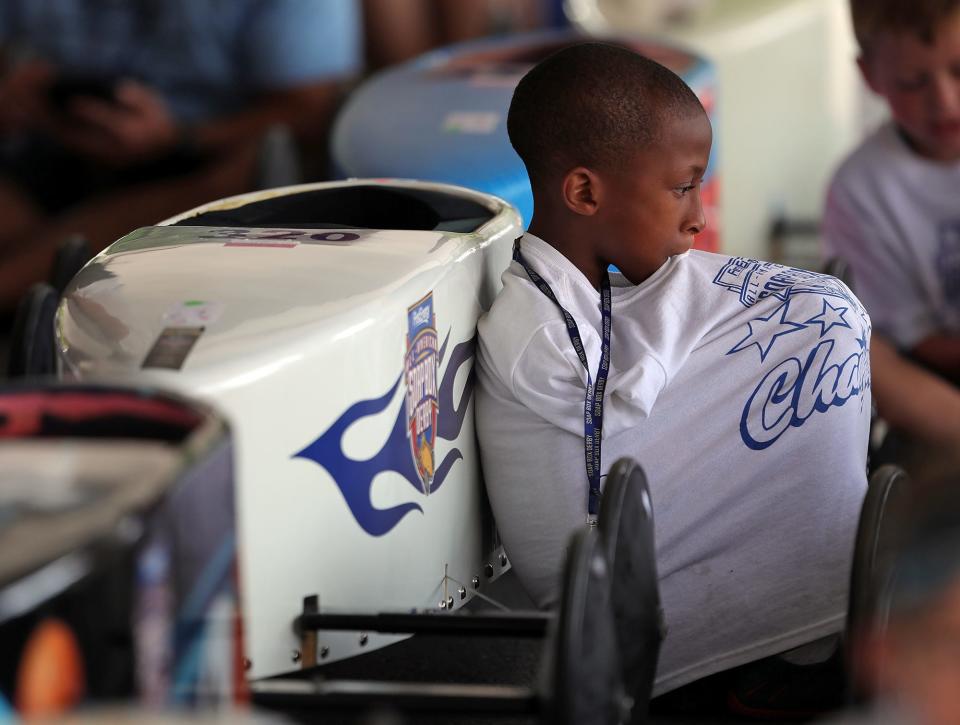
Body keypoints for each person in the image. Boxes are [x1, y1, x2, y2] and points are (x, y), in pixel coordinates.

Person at [475, 42, 871, 699]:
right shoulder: (540, 327)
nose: (697, 218)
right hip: (602, 591)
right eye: (682, 188)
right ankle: (778, 641)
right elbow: (623, 400)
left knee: (822, 320)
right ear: (583, 192)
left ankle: (804, 613)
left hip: (618, 523)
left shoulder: (578, 298)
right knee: (822, 324)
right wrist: (692, 295)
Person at [0, 0, 361, 313]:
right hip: (52, 147)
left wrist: (180, 138)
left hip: (203, 157)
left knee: (252, 172)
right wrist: (16, 95)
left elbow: (311, 112)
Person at [821, 0, 960, 467]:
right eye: (912, 82)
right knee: (852, 344)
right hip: (937, 377)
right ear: (871, 75)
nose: (944, 101)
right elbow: (916, 340)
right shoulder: (860, 188)